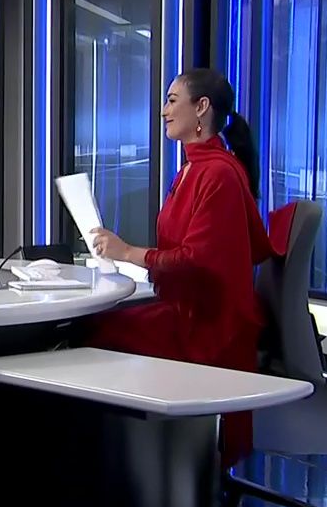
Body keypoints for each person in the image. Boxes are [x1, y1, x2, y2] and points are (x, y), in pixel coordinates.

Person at [84, 68, 280, 464]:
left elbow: (195, 260)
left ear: (202, 107)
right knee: (100, 322)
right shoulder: (194, 168)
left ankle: (131, 465)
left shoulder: (219, 174)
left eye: (173, 101)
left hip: (208, 328)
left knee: (92, 333)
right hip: (186, 312)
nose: (163, 111)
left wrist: (126, 252)